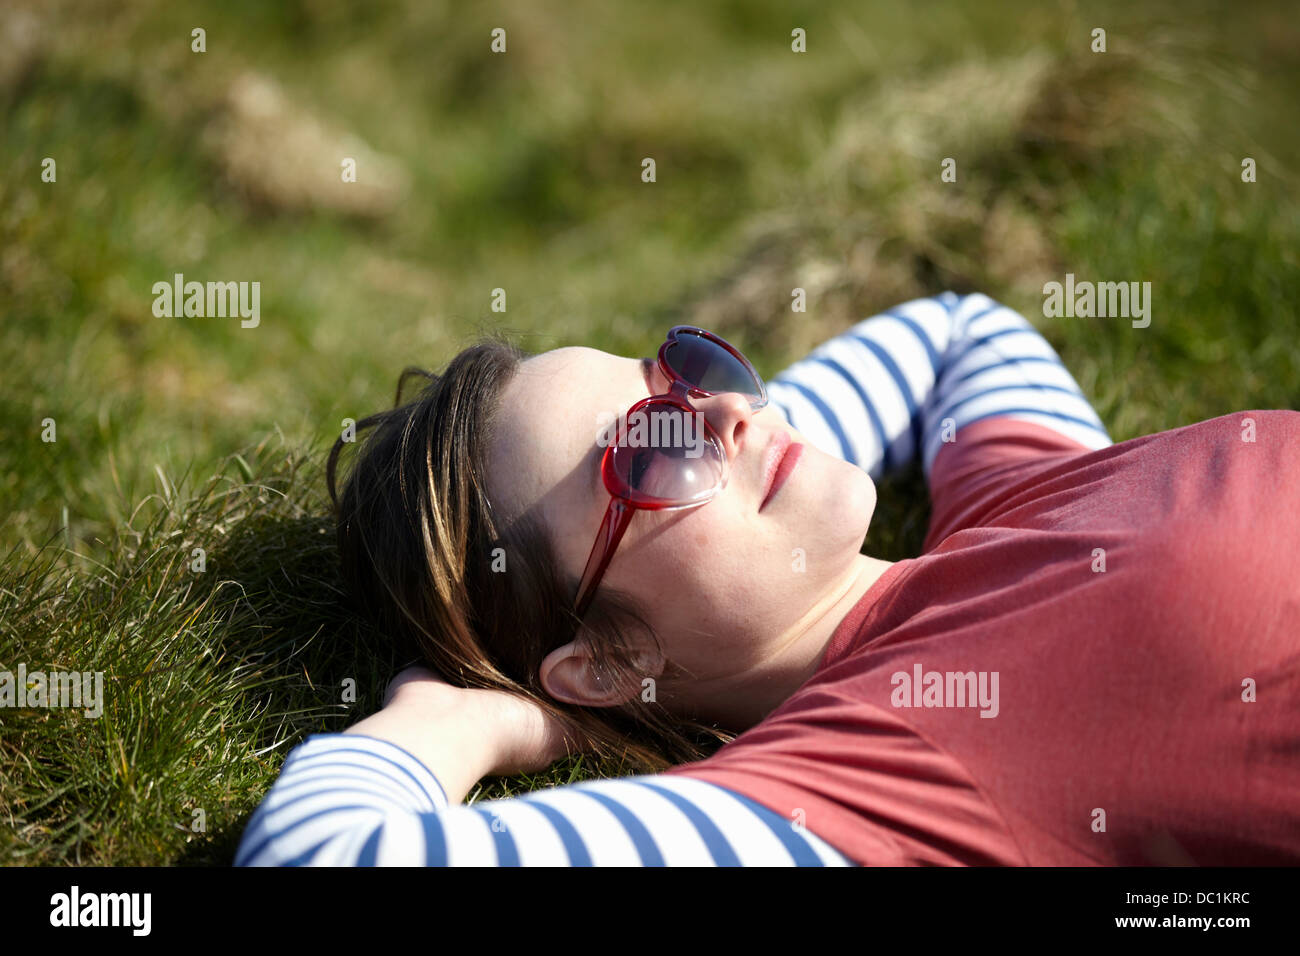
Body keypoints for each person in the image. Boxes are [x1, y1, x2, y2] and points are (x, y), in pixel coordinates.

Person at [235, 291, 1300, 866]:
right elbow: (322, 853)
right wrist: (462, 719)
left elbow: (959, 330)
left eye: (684, 375)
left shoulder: (1018, 500)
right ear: (609, 660)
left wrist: (747, 465)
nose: (725, 408)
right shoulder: (869, 782)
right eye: (646, 451)